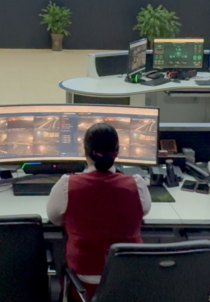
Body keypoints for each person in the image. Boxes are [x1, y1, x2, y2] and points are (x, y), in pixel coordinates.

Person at [46, 123, 152, 300]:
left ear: (85, 151)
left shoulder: (66, 185)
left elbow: (55, 219)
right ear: (117, 151)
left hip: (82, 283)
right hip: (128, 279)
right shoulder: (137, 185)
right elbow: (144, 211)